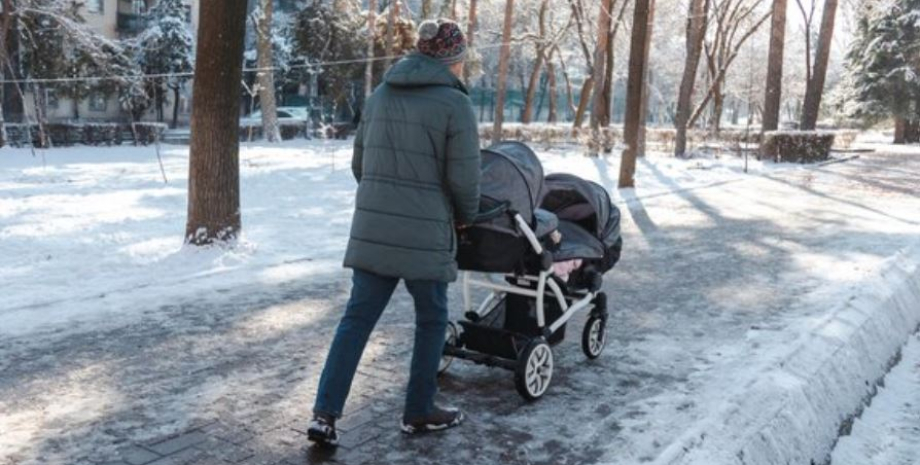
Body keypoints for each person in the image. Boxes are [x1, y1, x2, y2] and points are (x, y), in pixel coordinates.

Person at [307, 19, 481, 446]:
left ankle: (325, 415)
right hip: (426, 233)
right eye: (461, 60)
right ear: (451, 60)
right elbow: (464, 179)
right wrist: (465, 217)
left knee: (356, 320)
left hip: (374, 230)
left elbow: (359, 167)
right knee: (431, 319)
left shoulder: (380, 94)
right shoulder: (454, 105)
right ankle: (419, 410)